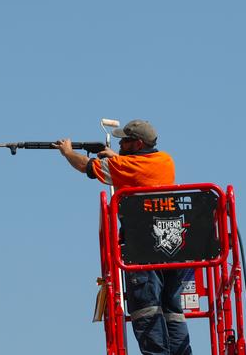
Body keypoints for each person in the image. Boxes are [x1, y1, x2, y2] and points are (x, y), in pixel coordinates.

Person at [53, 120, 192, 355]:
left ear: (138, 143)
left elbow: (85, 166)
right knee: (171, 310)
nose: (120, 143)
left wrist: (68, 152)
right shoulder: (165, 160)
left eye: (125, 141)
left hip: (142, 246)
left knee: (146, 309)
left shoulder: (124, 167)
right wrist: (117, 157)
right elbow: (137, 168)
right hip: (171, 245)